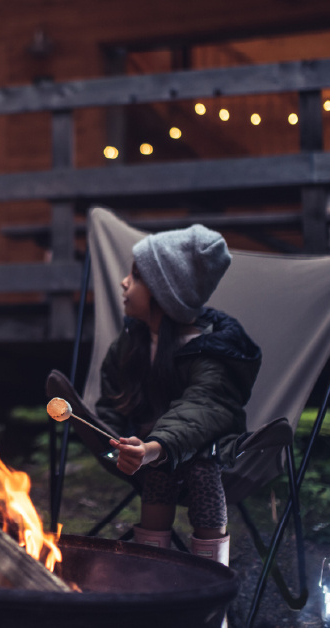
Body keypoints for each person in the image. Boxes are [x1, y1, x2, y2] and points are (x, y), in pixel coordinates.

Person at [99, 225, 260, 565]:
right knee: (160, 471)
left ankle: (210, 581)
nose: (124, 283)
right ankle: (152, 572)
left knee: (200, 466)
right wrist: (115, 448)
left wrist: (154, 449)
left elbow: (202, 408)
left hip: (209, 453)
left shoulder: (214, 352)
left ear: (163, 292)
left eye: (136, 277)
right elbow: (110, 406)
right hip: (143, 454)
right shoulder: (132, 344)